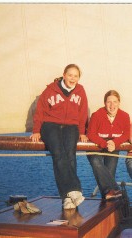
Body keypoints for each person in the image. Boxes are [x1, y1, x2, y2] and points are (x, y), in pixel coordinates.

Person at [30, 64, 88, 210]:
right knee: (58, 154)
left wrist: (82, 131)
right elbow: (40, 111)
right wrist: (36, 130)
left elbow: (82, 113)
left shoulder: (80, 90)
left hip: (71, 126)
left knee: (70, 155)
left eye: (76, 76)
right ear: (64, 75)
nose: (72, 78)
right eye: (70, 75)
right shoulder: (50, 89)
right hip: (50, 125)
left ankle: (68, 199)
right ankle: (74, 191)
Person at [86, 90, 130, 200]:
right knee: (96, 163)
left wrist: (115, 143)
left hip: (113, 147)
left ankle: (108, 201)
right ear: (104, 103)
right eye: (109, 102)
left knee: (109, 174)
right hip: (97, 145)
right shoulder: (97, 115)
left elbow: (127, 134)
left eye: (115, 102)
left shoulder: (124, 116)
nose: (112, 105)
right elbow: (90, 133)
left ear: (119, 102)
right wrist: (104, 144)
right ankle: (116, 190)